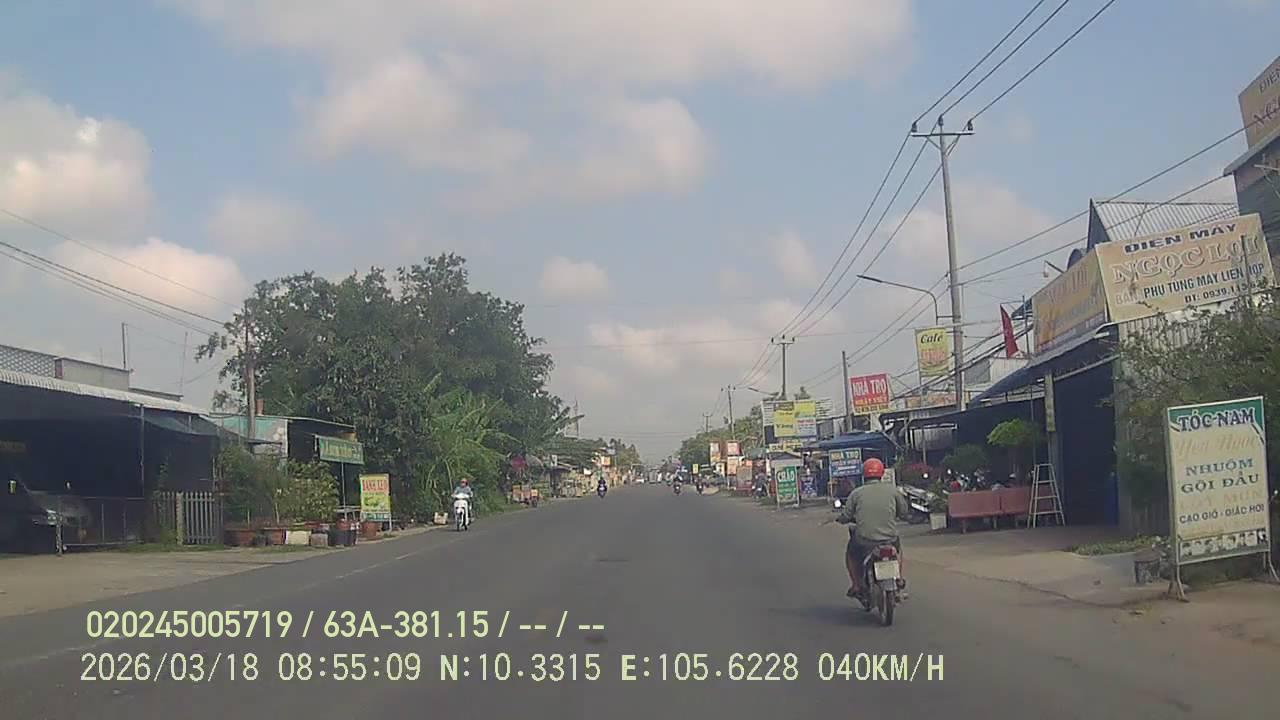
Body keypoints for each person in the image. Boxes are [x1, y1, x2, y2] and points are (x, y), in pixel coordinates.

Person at [833, 458, 910, 599]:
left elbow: (846, 515)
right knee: (898, 551)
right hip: (890, 538)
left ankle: (856, 585)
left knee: (851, 554)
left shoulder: (856, 493)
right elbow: (904, 512)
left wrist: (841, 519)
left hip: (865, 540)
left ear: (864, 474)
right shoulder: (892, 491)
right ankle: (898, 578)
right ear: (881, 473)